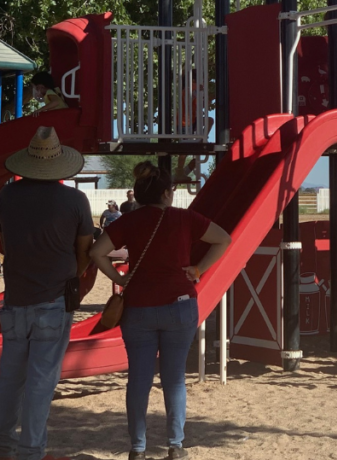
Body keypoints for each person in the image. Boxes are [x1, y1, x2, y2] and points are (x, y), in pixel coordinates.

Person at [90, 161, 231, 460]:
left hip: (139, 307)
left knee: (138, 379)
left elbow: (96, 252)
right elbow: (224, 239)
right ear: (168, 192)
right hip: (179, 305)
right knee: (174, 378)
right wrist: (198, 269)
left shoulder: (129, 220)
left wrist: (119, 279)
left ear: (139, 194)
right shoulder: (184, 218)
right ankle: (175, 445)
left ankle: (137, 448)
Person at [0, 127, 93, 460]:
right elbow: (84, 250)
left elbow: (6, 241)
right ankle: (31, 451)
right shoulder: (75, 200)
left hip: (15, 296)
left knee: (11, 377)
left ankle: (1, 446)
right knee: (41, 380)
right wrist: (73, 275)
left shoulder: (8, 195)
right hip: (53, 298)